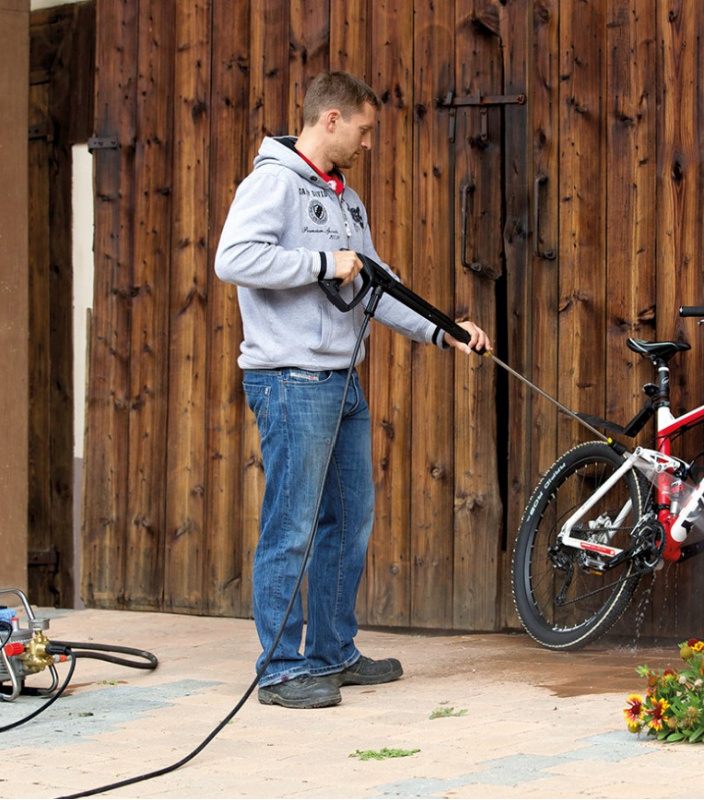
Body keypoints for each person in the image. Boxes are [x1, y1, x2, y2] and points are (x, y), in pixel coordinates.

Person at [215, 71, 490, 709]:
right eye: (364, 130)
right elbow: (234, 258)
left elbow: (376, 282)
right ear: (331, 119)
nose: (370, 142)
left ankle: (332, 653)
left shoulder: (347, 199)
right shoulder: (273, 183)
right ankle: (281, 670)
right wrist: (321, 263)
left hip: (342, 382)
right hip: (290, 379)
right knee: (291, 526)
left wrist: (444, 331)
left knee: (351, 521)